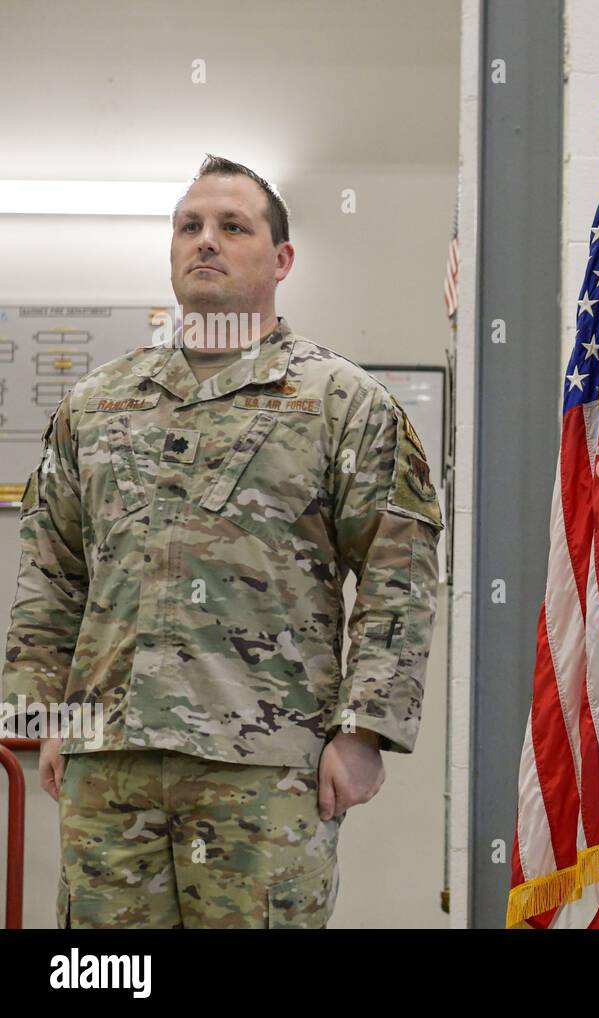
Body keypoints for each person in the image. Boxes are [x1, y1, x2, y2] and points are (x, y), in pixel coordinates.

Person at [1, 155, 443, 928]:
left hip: (264, 766)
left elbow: (396, 578)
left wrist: (365, 730)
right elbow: (53, 569)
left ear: (281, 260)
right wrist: (46, 720)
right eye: (189, 226)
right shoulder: (97, 404)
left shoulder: (342, 404)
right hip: (109, 763)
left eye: (232, 227)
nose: (205, 241)